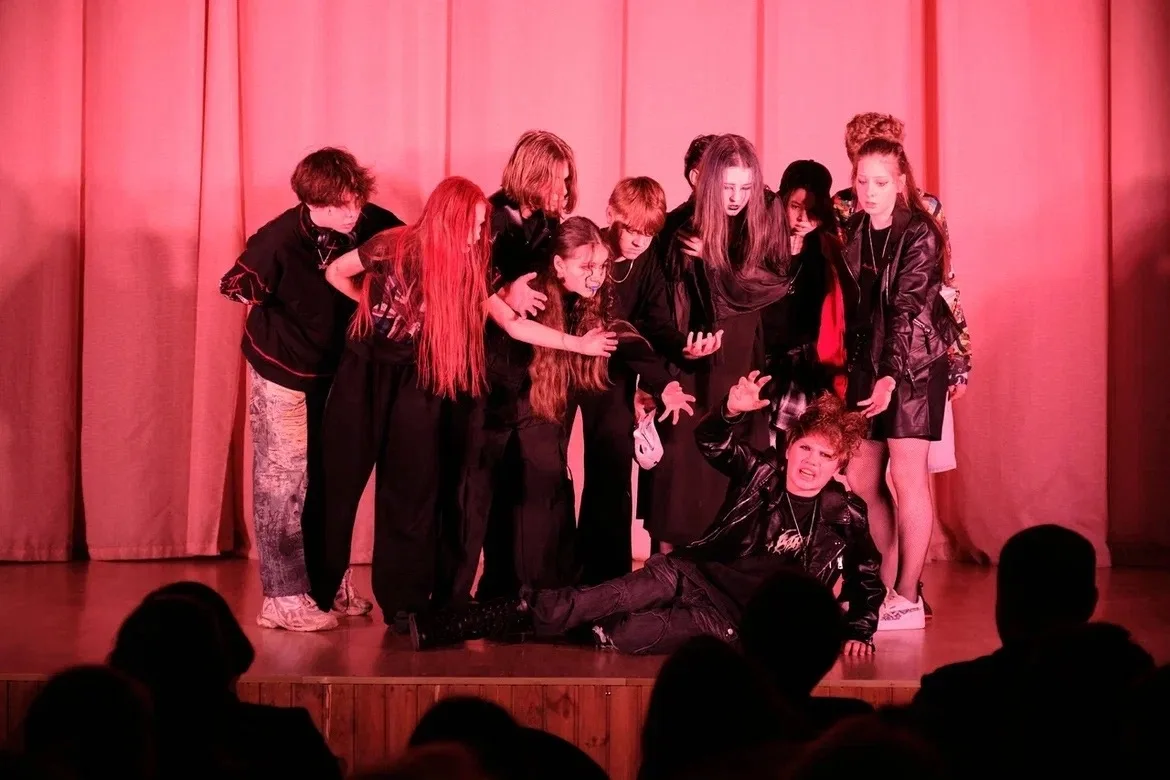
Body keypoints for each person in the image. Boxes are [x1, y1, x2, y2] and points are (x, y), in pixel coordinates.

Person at [316, 178, 613, 629]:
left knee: (410, 489)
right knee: (340, 480)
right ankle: (319, 591)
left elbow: (514, 325)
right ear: (448, 218)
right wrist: (373, 308)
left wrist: (578, 344)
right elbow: (336, 272)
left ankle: (403, 603)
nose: (478, 235)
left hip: (417, 376)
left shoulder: (472, 266)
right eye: (473, 225)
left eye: (481, 226)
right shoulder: (392, 245)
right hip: (366, 370)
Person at [411, 374, 884, 655]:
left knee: (620, 633)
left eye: (825, 456)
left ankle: (539, 617)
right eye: (805, 449)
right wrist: (729, 410)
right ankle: (470, 621)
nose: (810, 463)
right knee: (598, 598)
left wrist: (860, 631)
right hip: (691, 574)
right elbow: (712, 442)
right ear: (789, 448)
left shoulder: (844, 514)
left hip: (731, 621)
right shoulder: (762, 473)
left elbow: (867, 576)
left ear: (839, 465)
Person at [460, 217, 692, 604]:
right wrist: (576, 344)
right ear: (558, 264)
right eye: (586, 266)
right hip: (498, 403)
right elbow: (516, 328)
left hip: (537, 407)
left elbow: (623, 336)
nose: (596, 275)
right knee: (495, 500)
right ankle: (494, 594)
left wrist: (664, 384)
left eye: (601, 266)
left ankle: (546, 596)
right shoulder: (533, 289)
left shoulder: (592, 297)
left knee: (548, 496)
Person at [218, 147, 401, 632]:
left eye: (355, 200)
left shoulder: (374, 223)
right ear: (311, 203)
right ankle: (281, 597)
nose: (351, 213)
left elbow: (412, 247)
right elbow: (234, 285)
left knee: (331, 477)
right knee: (282, 483)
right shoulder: (277, 240)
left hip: (338, 372)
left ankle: (325, 580)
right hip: (283, 372)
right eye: (338, 206)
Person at [642, 134, 790, 554]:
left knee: (737, 455)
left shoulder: (766, 213)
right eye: (728, 187)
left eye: (745, 187)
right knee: (681, 463)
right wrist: (676, 353)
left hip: (741, 352)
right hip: (691, 357)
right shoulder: (678, 225)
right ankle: (668, 564)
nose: (737, 198)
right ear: (706, 181)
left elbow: (773, 285)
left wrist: (716, 259)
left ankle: (732, 563)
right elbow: (659, 307)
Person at [570, 176, 721, 585]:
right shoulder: (588, 246)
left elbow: (655, 323)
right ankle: (557, 575)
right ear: (611, 215)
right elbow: (608, 322)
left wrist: (683, 351)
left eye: (648, 233)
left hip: (613, 371)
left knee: (612, 473)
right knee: (550, 469)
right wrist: (660, 381)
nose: (639, 240)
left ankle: (606, 583)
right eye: (632, 230)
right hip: (565, 366)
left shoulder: (648, 259)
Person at [841, 137, 960, 630]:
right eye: (862, 181)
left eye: (881, 182)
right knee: (860, 480)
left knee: (907, 479)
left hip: (912, 367)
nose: (870, 191)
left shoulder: (920, 233)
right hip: (869, 366)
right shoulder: (853, 229)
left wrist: (890, 375)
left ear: (901, 182)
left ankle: (908, 596)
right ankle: (881, 584)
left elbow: (906, 311)